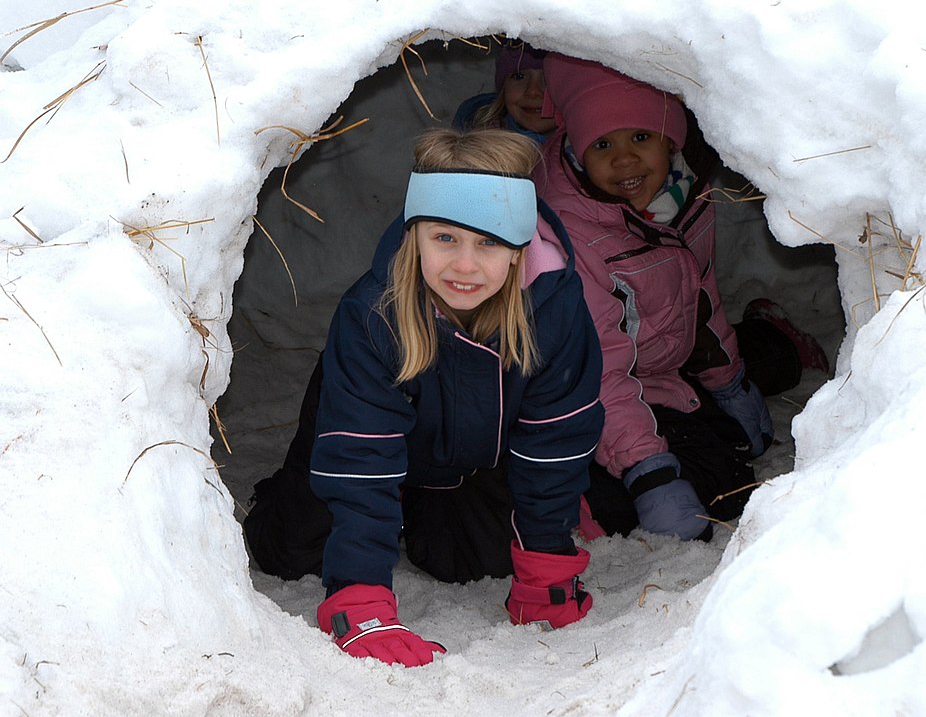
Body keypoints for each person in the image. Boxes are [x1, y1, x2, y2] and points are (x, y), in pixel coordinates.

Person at [242, 127, 604, 667]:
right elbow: (362, 454)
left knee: (475, 561)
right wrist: (360, 597)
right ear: (416, 234)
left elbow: (556, 441)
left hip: (464, 462)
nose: (464, 265)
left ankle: (416, 511)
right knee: (291, 553)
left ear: (519, 248)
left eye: (489, 242)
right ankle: (291, 492)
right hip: (365, 444)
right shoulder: (374, 313)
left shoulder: (552, 308)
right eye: (445, 238)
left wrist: (546, 564)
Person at [534, 53, 829, 543]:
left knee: (745, 424)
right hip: (599, 387)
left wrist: (730, 382)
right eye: (602, 143)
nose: (625, 159)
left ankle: (772, 341)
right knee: (720, 487)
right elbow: (597, 365)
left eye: (642, 137)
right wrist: (650, 471)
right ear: (576, 149)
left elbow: (702, 298)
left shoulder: (682, 196)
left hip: (665, 362)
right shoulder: (570, 233)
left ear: (671, 139)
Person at [452, 40, 555, 145]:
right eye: (519, 76)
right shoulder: (479, 138)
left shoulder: (571, 152)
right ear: (504, 89)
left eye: (550, 78)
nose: (533, 91)